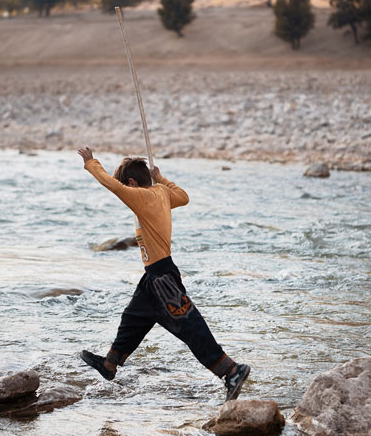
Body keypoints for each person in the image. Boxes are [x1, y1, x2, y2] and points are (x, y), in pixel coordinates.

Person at [76, 146, 250, 402]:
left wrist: (91, 163)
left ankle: (232, 371)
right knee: (133, 317)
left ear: (133, 183)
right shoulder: (161, 193)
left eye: (129, 187)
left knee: (191, 328)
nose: (127, 193)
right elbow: (183, 196)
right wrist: (161, 178)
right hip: (154, 275)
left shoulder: (141, 196)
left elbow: (112, 185)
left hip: (162, 278)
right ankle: (110, 365)